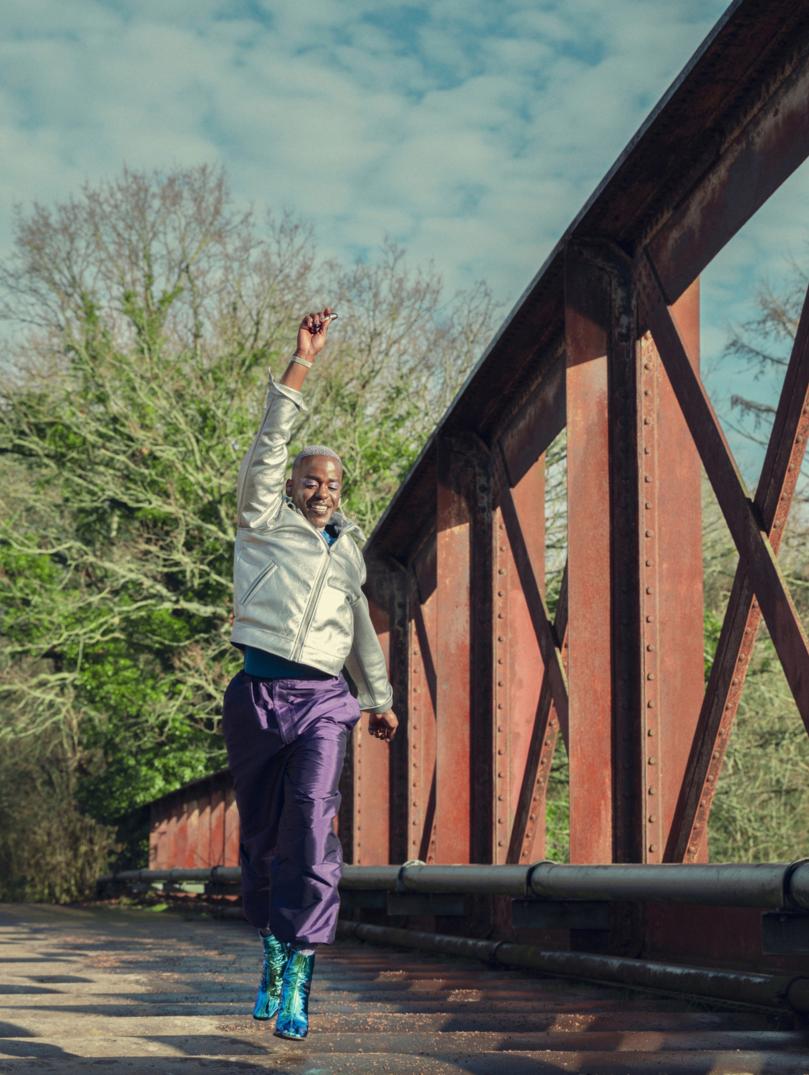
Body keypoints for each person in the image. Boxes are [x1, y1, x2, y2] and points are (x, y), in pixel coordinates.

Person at [222, 307, 398, 1042]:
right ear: (291, 486)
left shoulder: (349, 550)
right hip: (257, 695)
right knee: (263, 834)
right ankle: (271, 940)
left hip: (324, 699)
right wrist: (303, 362)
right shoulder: (262, 519)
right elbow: (268, 445)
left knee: (311, 825)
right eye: (310, 479)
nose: (322, 489)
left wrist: (379, 697)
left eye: (332, 482)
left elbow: (359, 627)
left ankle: (300, 967)